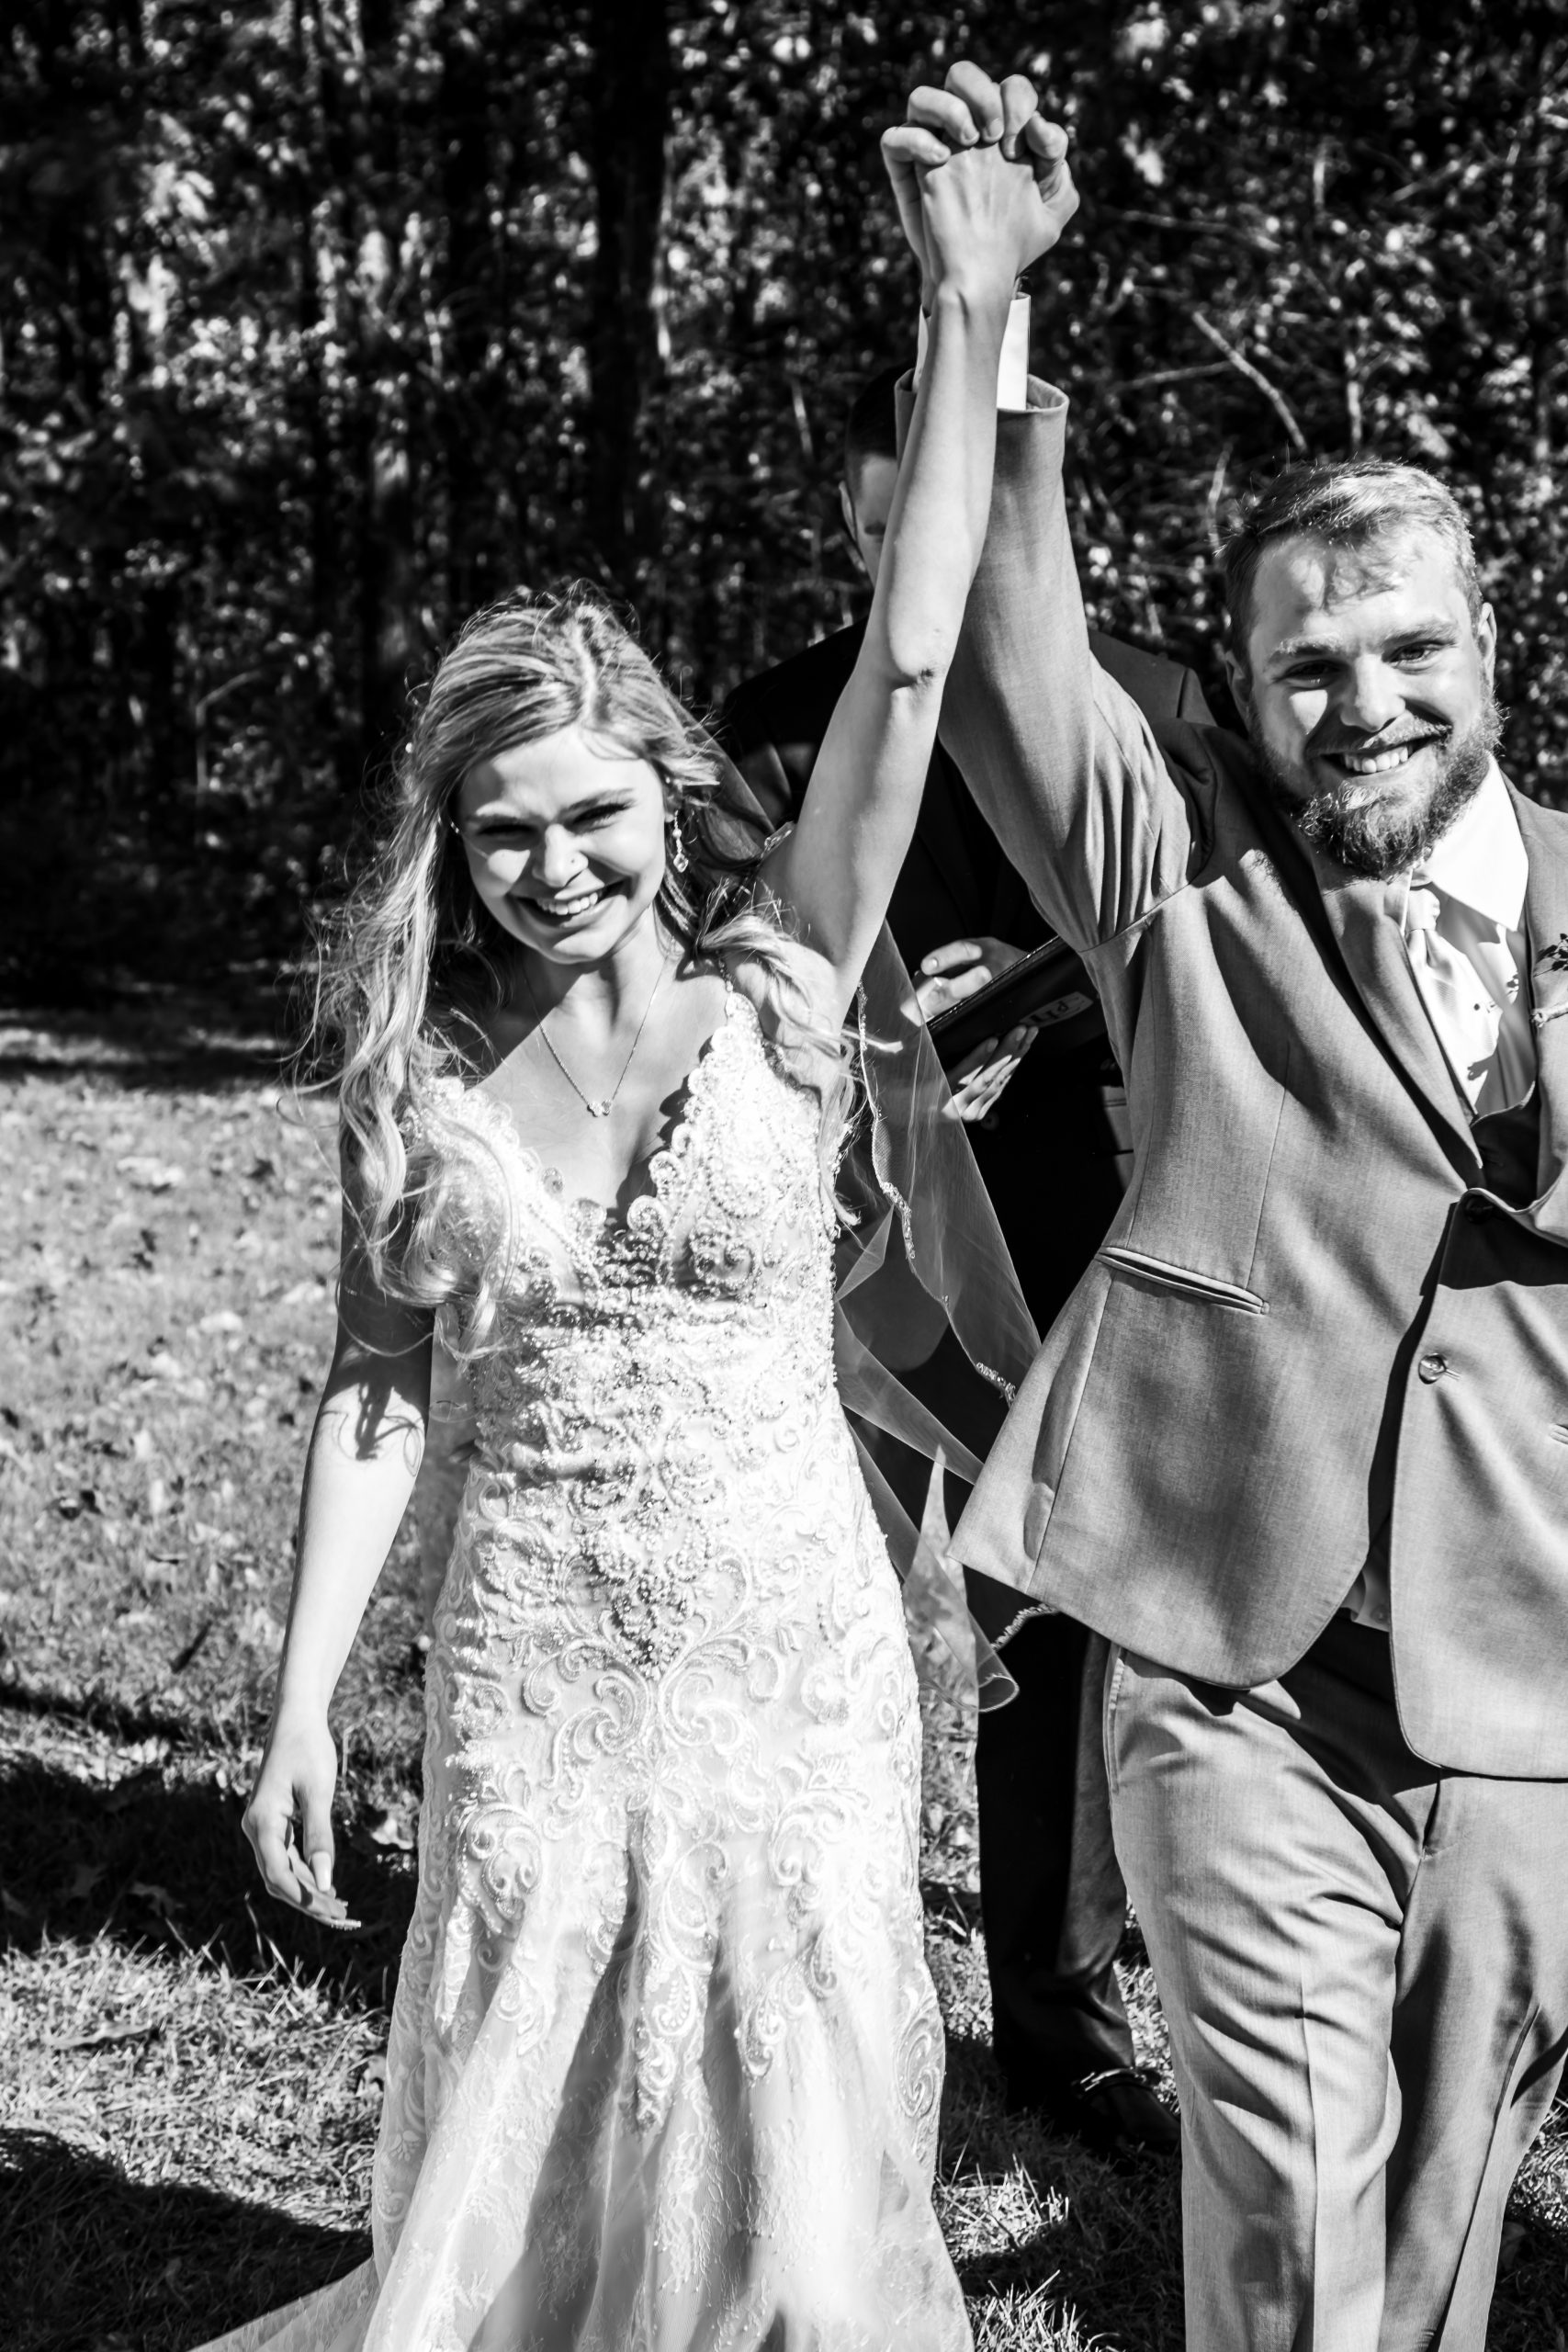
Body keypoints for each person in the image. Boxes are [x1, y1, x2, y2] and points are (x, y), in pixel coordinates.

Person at [204, 115, 1072, 2352]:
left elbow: (909, 663)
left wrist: (966, 308)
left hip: (785, 1630)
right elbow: (377, 1387)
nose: (552, 867)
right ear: (452, 842)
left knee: (785, 2049)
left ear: (667, 801)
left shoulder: (786, 973)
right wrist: (299, 1705)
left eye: (591, 814)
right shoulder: (408, 1073)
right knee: (540, 2048)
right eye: (501, 833)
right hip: (530, 1645)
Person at [885, 62, 1568, 2352]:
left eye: (1404, 653)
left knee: (1447, 2215)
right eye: (1304, 667)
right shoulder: (1180, 894)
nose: (1359, 704)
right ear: (1244, 698)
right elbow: (1005, 649)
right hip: (1240, 1669)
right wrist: (981, 312)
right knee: (1284, 2210)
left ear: (1485, 650)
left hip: (1534, 1698)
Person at [718, 367, 1208, 2157]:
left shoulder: (1156, 697)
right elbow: (715, 945)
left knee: (1052, 1614)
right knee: (823, 1601)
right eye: (865, 529)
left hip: (1082, 1199)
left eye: (919, 518)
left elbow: (1200, 932)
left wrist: (1033, 997)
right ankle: (799, 1984)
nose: (891, 558)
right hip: (840, 1223)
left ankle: (1059, 2022)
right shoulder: (778, 724)